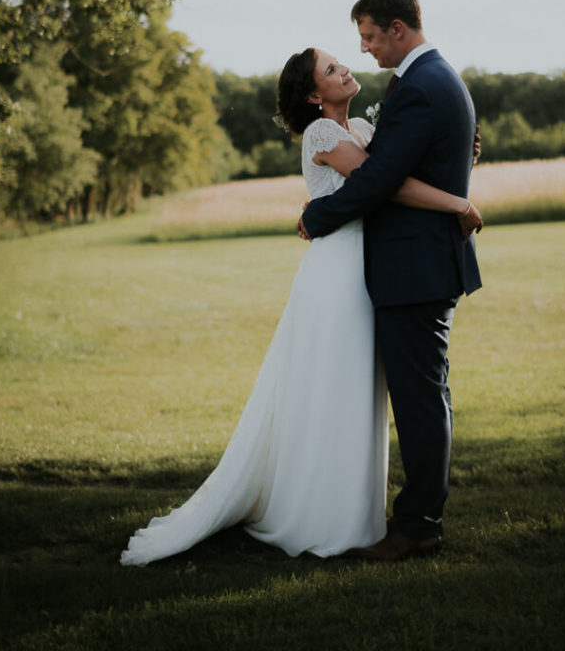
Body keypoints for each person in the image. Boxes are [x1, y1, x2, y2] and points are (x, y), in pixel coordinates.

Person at [120, 45, 481, 566]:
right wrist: (457, 203)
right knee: (331, 386)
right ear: (314, 95)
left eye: (341, 63)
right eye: (332, 69)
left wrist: (456, 152)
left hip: (366, 269)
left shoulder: (361, 128)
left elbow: (405, 165)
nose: (345, 69)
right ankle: (317, 511)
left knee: (358, 389)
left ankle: (356, 510)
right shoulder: (323, 134)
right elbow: (386, 184)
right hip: (336, 275)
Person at [300, 0, 482, 562]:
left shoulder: (423, 85)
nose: (367, 49)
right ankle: (414, 518)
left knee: (421, 400)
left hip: (416, 267)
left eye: (372, 36)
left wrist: (315, 216)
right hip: (419, 264)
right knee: (426, 394)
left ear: (398, 29)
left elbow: (381, 181)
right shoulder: (433, 79)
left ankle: (419, 527)